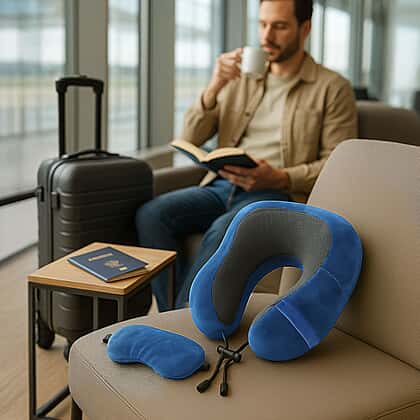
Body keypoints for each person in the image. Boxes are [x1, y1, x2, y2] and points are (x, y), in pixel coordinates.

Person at [136, 0, 357, 312]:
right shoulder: (240, 79)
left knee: (224, 228)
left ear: (304, 28)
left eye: (279, 26)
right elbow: (189, 137)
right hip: (222, 185)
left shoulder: (332, 88)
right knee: (152, 215)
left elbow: (338, 165)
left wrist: (280, 177)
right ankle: (174, 316)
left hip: (276, 192)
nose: (267, 36)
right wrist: (214, 85)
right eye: (262, 24)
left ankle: (183, 320)